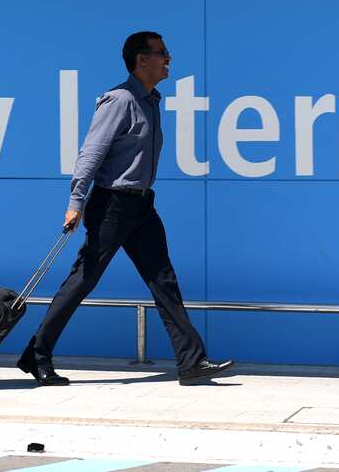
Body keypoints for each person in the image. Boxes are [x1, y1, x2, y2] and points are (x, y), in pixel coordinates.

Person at [17, 31, 234, 386]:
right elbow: (91, 153)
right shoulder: (119, 100)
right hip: (112, 205)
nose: (169, 58)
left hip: (142, 205)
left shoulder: (151, 100)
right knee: (82, 281)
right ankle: (36, 353)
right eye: (162, 52)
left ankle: (192, 361)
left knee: (164, 281)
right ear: (141, 59)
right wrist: (75, 201)